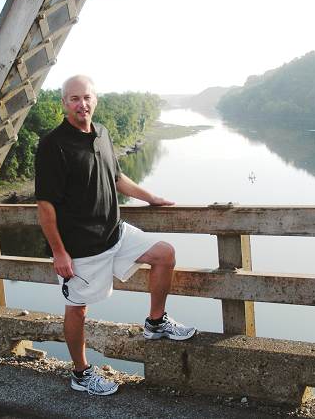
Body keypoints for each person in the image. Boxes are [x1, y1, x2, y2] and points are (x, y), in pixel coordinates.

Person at [35, 75, 196, 396]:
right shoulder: (53, 145)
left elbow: (118, 177)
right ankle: (80, 373)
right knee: (78, 310)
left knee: (164, 253)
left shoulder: (103, 133)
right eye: (74, 99)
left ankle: (156, 322)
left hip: (115, 233)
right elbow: (45, 206)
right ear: (64, 103)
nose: (82, 104)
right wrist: (59, 252)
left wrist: (150, 198)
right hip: (80, 247)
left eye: (87, 97)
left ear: (95, 100)